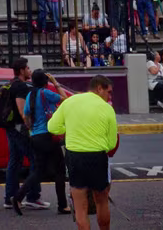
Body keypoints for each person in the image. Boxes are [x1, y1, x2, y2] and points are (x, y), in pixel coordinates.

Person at [49, 72, 119, 230]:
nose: (109, 96)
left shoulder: (70, 102)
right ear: (99, 88)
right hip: (97, 156)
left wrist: (69, 130)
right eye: (108, 92)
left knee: (80, 207)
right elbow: (111, 143)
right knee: (101, 201)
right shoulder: (107, 108)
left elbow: (52, 127)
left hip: (75, 157)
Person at [20, 71, 66, 213]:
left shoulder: (30, 95)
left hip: (35, 136)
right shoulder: (46, 93)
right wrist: (55, 83)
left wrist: (32, 130)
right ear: (45, 82)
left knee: (39, 171)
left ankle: (18, 196)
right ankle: (62, 205)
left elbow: (26, 116)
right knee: (60, 171)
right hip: (48, 135)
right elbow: (65, 100)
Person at [0, 59, 35, 212]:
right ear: (21, 71)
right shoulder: (20, 86)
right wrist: (30, 127)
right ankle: (33, 197)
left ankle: (10, 197)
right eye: (27, 68)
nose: (29, 70)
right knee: (35, 159)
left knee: (15, 161)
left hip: (11, 127)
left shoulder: (12, 83)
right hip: (19, 127)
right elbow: (22, 111)